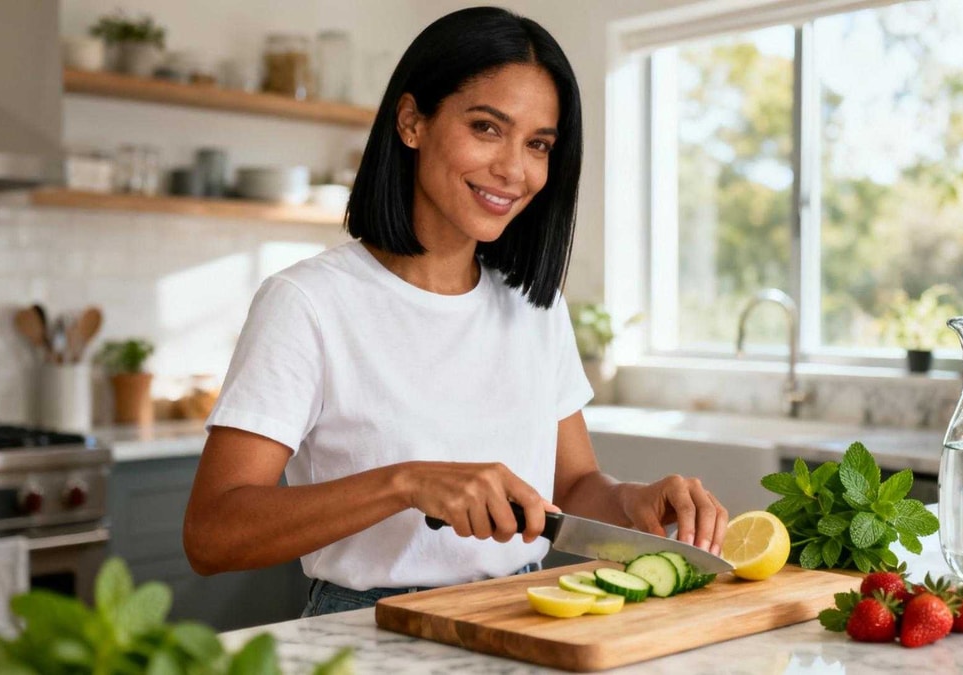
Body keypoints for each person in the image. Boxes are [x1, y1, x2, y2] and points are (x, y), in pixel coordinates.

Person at [183, 6, 728, 617]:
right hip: (368, 629)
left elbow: (572, 486)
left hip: (521, 613)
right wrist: (407, 483)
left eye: (538, 144)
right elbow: (212, 535)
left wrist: (631, 501)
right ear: (412, 122)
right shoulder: (308, 303)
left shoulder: (534, 306)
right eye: (487, 128)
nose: (514, 169)